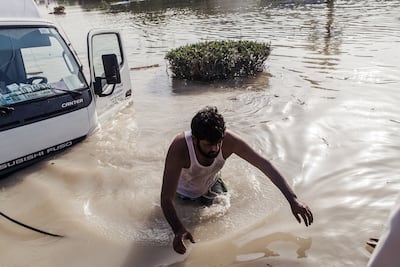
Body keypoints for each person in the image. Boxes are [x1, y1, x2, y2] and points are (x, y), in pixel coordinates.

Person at [160, 106, 313, 254]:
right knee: (187, 229)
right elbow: (167, 198)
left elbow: (264, 164)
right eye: (208, 145)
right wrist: (178, 229)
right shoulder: (179, 149)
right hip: (183, 194)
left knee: (221, 215)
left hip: (212, 185)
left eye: (218, 143)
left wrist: (293, 199)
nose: (215, 148)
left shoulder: (229, 141)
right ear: (194, 139)